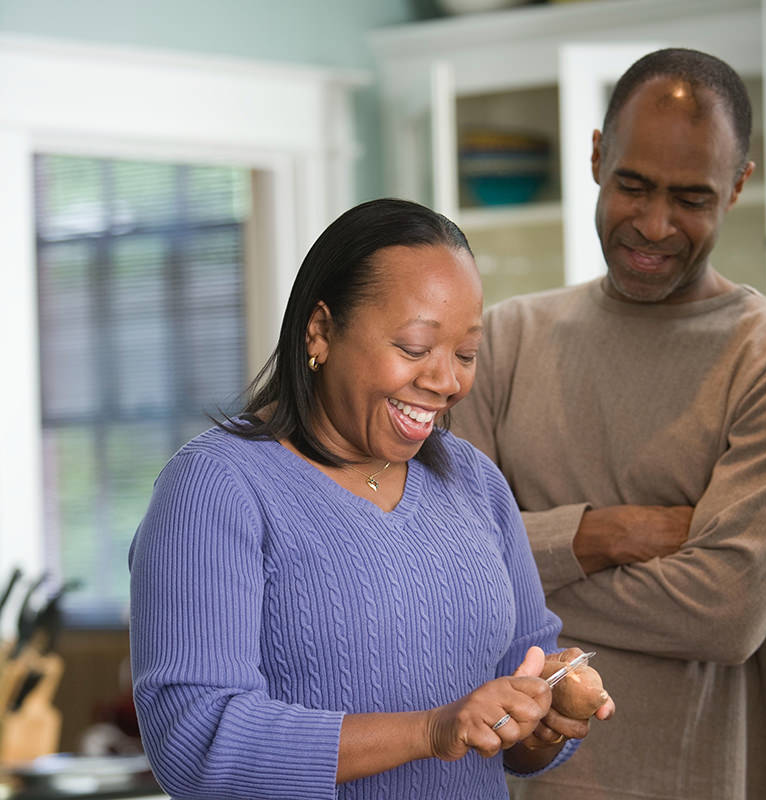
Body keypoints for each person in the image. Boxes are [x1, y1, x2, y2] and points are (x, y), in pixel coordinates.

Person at [128, 198, 614, 800]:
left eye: (465, 354)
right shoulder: (216, 488)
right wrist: (432, 730)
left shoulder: (475, 482)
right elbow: (195, 744)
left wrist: (550, 712)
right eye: (414, 348)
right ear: (321, 330)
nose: (446, 381)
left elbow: (520, 688)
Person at [451, 48, 766, 800]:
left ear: (738, 186)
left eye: (692, 198)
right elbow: (446, 571)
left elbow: (725, 612)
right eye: (633, 185)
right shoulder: (505, 340)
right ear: (596, 156)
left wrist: (516, 558)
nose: (654, 224)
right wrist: (595, 536)